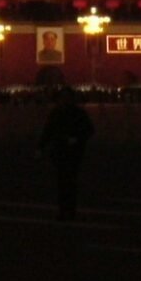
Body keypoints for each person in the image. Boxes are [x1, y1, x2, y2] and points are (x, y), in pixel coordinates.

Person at [38, 87, 95, 221]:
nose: (64, 100)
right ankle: (64, 210)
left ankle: (69, 210)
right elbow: (48, 131)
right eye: (62, 98)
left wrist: (77, 139)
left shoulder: (77, 113)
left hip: (73, 152)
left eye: (66, 97)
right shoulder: (57, 113)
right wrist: (40, 147)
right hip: (60, 151)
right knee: (63, 182)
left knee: (69, 182)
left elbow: (89, 130)